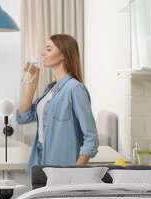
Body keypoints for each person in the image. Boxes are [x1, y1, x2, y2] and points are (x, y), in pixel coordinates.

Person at [16, 34, 99, 173]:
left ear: (63, 55)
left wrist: (75, 173)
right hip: (40, 160)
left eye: (48, 49)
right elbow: (22, 117)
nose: (43, 53)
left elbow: (91, 139)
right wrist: (32, 85)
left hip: (63, 167)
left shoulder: (75, 89)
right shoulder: (49, 89)